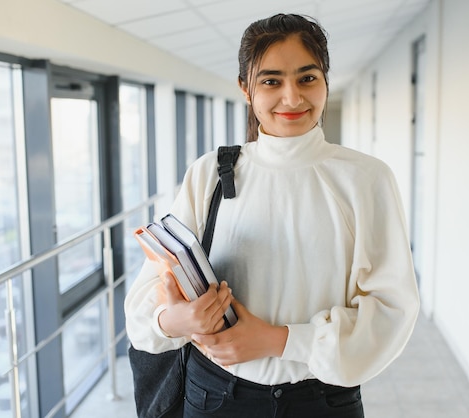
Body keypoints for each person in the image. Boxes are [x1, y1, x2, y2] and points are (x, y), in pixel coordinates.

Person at [125, 13, 419, 418]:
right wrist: (176, 319)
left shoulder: (366, 179)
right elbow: (144, 303)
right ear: (246, 89)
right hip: (214, 398)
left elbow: (392, 310)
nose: (292, 98)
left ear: (326, 81)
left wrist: (279, 341)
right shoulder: (209, 173)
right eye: (271, 81)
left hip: (322, 401)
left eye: (307, 78)